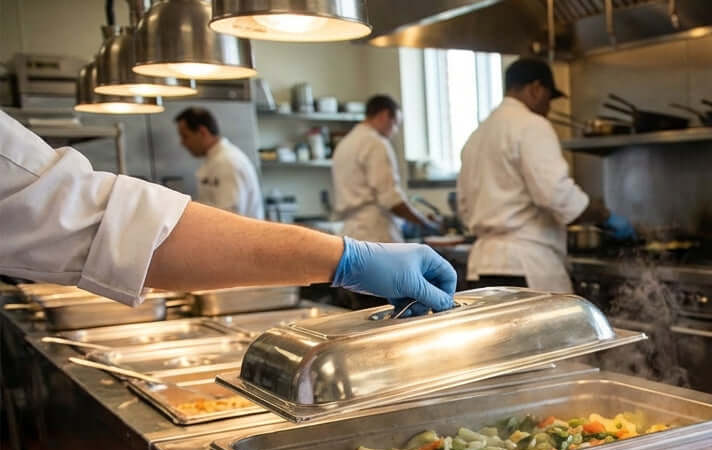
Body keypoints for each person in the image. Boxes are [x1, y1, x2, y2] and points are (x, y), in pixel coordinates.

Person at [0, 110, 455, 313]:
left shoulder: (231, 162)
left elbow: (101, 222)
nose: (182, 145)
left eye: (184, 135)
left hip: (234, 273)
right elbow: (100, 223)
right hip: (221, 268)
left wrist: (346, 258)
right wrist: (346, 258)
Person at [458, 57, 635, 293]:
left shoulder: (477, 135)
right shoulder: (532, 125)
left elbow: (464, 207)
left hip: (482, 269)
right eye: (549, 99)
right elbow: (555, 194)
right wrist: (605, 217)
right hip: (525, 267)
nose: (549, 108)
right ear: (536, 89)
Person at [332, 95, 437, 244]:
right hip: (375, 233)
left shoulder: (345, 144)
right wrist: (424, 222)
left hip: (350, 236)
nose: (394, 132)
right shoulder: (375, 143)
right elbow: (390, 198)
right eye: (395, 124)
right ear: (384, 115)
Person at [173, 106, 264, 219]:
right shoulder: (216, 159)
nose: (182, 143)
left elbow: (229, 216)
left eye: (185, 136)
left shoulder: (227, 162)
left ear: (202, 132)